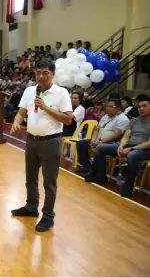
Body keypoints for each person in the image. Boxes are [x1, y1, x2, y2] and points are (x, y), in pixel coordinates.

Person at [10, 60, 73, 232]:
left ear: (53, 74)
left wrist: (45, 107)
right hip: (31, 141)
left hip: (51, 142)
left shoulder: (62, 93)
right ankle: (31, 207)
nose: (41, 76)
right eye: (38, 73)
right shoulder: (30, 91)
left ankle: (48, 216)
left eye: (45, 73)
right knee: (30, 178)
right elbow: (21, 112)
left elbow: (68, 119)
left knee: (49, 182)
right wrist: (17, 121)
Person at [86, 94, 150, 197]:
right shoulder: (134, 121)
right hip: (129, 146)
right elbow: (126, 135)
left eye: (144, 106)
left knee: (132, 155)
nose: (141, 109)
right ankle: (101, 176)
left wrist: (131, 148)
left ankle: (128, 187)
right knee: (101, 148)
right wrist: (121, 145)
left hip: (144, 148)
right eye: (139, 106)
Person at [76, 99, 129, 174]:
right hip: (99, 139)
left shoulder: (123, 119)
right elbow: (97, 129)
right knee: (81, 143)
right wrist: (93, 139)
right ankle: (86, 166)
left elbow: (117, 135)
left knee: (99, 147)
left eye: (110, 106)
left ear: (118, 108)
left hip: (112, 142)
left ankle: (98, 172)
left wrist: (101, 142)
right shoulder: (105, 116)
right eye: (107, 106)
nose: (107, 108)